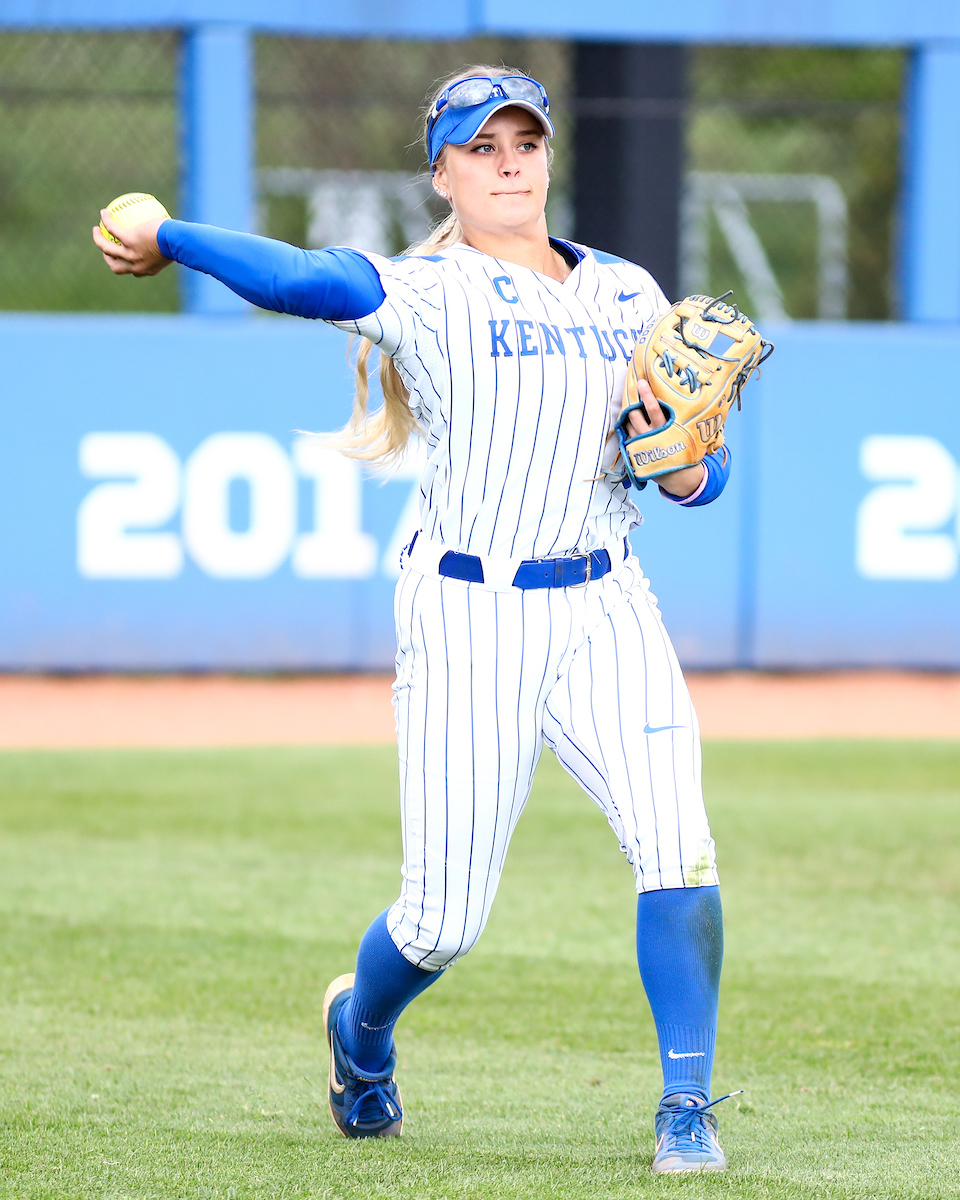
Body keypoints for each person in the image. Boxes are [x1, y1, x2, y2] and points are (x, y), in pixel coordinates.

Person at [93, 65, 736, 1174]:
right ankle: (362, 1031)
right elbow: (302, 278)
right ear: (442, 173)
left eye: (524, 143)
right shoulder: (429, 290)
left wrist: (683, 468)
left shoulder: (629, 292)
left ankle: (686, 1104)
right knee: (443, 922)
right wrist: (171, 237)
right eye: (481, 147)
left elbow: (700, 474)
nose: (508, 164)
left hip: (608, 599)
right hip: (469, 611)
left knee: (678, 844)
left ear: (548, 158)